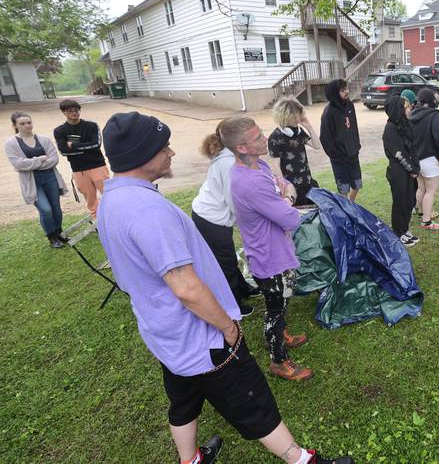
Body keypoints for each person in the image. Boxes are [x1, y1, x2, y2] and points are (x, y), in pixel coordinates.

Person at [97, 112, 351, 464]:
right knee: (253, 399)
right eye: (162, 146)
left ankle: (191, 460)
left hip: (165, 333)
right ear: (142, 155)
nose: (171, 152)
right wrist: (227, 328)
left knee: (184, 397)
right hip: (201, 336)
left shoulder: (112, 199)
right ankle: (302, 460)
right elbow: (186, 288)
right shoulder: (147, 211)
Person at [221, 116, 313, 382]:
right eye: (257, 137)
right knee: (275, 310)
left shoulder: (256, 165)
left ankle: (281, 333)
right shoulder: (248, 181)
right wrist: (288, 196)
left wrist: (283, 192)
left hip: (275, 250)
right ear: (241, 148)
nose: (265, 138)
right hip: (269, 258)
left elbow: (278, 181)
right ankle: (279, 361)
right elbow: (290, 217)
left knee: (281, 305)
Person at [191, 122, 257, 318]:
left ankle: (243, 288)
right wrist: (249, 224)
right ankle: (234, 305)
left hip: (211, 216)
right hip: (210, 220)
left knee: (227, 257)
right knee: (225, 263)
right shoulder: (228, 163)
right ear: (237, 142)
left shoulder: (229, 157)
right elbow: (233, 200)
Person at [4, 112, 68, 248]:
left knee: (56, 209)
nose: (27, 125)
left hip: (50, 177)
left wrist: (31, 164)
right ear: (15, 125)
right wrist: (39, 159)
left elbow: (54, 159)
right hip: (32, 181)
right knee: (46, 210)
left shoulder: (44, 139)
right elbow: (18, 164)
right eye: (22, 123)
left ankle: (59, 232)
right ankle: (52, 237)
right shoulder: (11, 143)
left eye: (29, 122)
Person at [52, 99, 109, 218]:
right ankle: (99, 223)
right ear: (64, 112)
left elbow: (96, 145)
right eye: (70, 111)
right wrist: (85, 148)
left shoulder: (91, 126)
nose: (75, 113)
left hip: (97, 165)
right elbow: (63, 151)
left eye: (77, 110)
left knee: (109, 194)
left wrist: (73, 146)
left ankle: (116, 219)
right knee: (91, 200)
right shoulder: (59, 131)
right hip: (79, 170)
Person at [268, 99, 322, 207]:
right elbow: (275, 164)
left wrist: (309, 126)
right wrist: (284, 188)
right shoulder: (275, 137)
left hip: (307, 183)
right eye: (295, 115)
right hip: (292, 187)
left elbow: (317, 146)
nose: (298, 118)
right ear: (285, 115)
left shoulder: (298, 132)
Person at [382, 95, 420, 246]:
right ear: (398, 110)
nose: (409, 109)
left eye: (409, 107)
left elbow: (413, 149)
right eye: (405, 107)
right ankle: (399, 232)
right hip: (399, 172)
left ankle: (405, 229)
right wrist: (411, 169)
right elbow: (398, 153)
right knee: (400, 202)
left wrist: (416, 167)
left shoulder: (405, 125)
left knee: (410, 200)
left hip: (410, 170)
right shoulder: (390, 128)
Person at [409, 88, 439, 230]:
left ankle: (422, 211)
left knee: (421, 188)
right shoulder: (436, 115)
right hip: (431, 158)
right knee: (430, 191)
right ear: (432, 101)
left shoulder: (412, 114)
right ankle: (426, 221)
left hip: (416, 159)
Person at [319, 79, 361, 202]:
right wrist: (336, 155)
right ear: (334, 93)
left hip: (353, 154)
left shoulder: (350, 105)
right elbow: (325, 138)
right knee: (344, 189)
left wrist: (356, 146)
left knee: (357, 184)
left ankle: (350, 205)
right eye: (343, 91)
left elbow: (354, 128)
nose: (347, 92)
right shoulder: (328, 113)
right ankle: (345, 209)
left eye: (346, 89)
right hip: (339, 159)